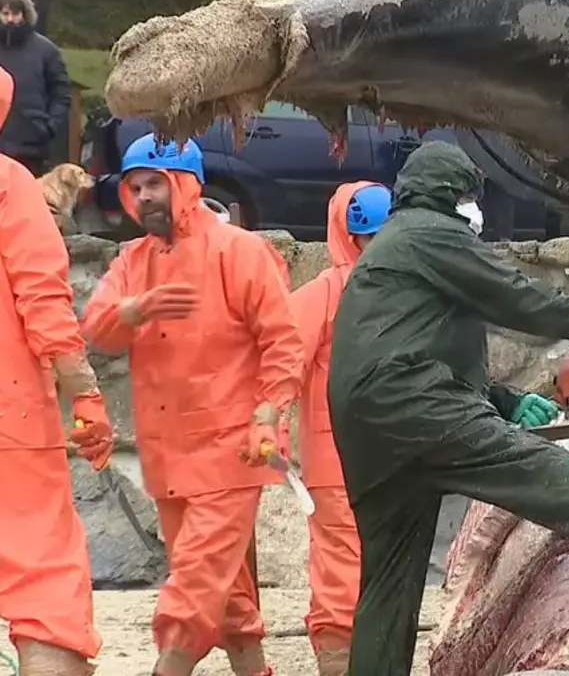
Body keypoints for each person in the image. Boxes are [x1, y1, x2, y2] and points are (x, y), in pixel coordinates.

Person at [327, 141, 569, 674]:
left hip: (365, 426)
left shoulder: (396, 249)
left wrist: (505, 400)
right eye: (473, 197)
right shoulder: (431, 233)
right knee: (527, 466)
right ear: (452, 196)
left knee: (389, 587)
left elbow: (423, 349)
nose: (478, 209)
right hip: (407, 400)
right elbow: (522, 298)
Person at [81, 133, 305, 676]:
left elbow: (283, 341)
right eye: (135, 187)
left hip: (232, 451)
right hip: (167, 457)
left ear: (186, 184)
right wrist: (135, 310)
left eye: (154, 183)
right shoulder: (132, 259)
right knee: (222, 589)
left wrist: (268, 414)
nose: (143, 196)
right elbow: (96, 328)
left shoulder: (241, 251)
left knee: (194, 585)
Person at [0, 64, 115, 675]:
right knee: (43, 576)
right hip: (10, 416)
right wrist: (87, 398)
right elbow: (44, 303)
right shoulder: (11, 186)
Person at [287, 180, 394, 675]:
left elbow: (278, 367)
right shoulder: (327, 295)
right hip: (349, 465)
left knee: (357, 575)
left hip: (378, 461)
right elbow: (281, 367)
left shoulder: (326, 295)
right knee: (348, 575)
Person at [0, 0, 69, 175]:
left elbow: (61, 93)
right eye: (5, 13)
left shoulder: (46, 50)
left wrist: (48, 126)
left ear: (25, 14)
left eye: (15, 13)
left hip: (30, 148)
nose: (10, 19)